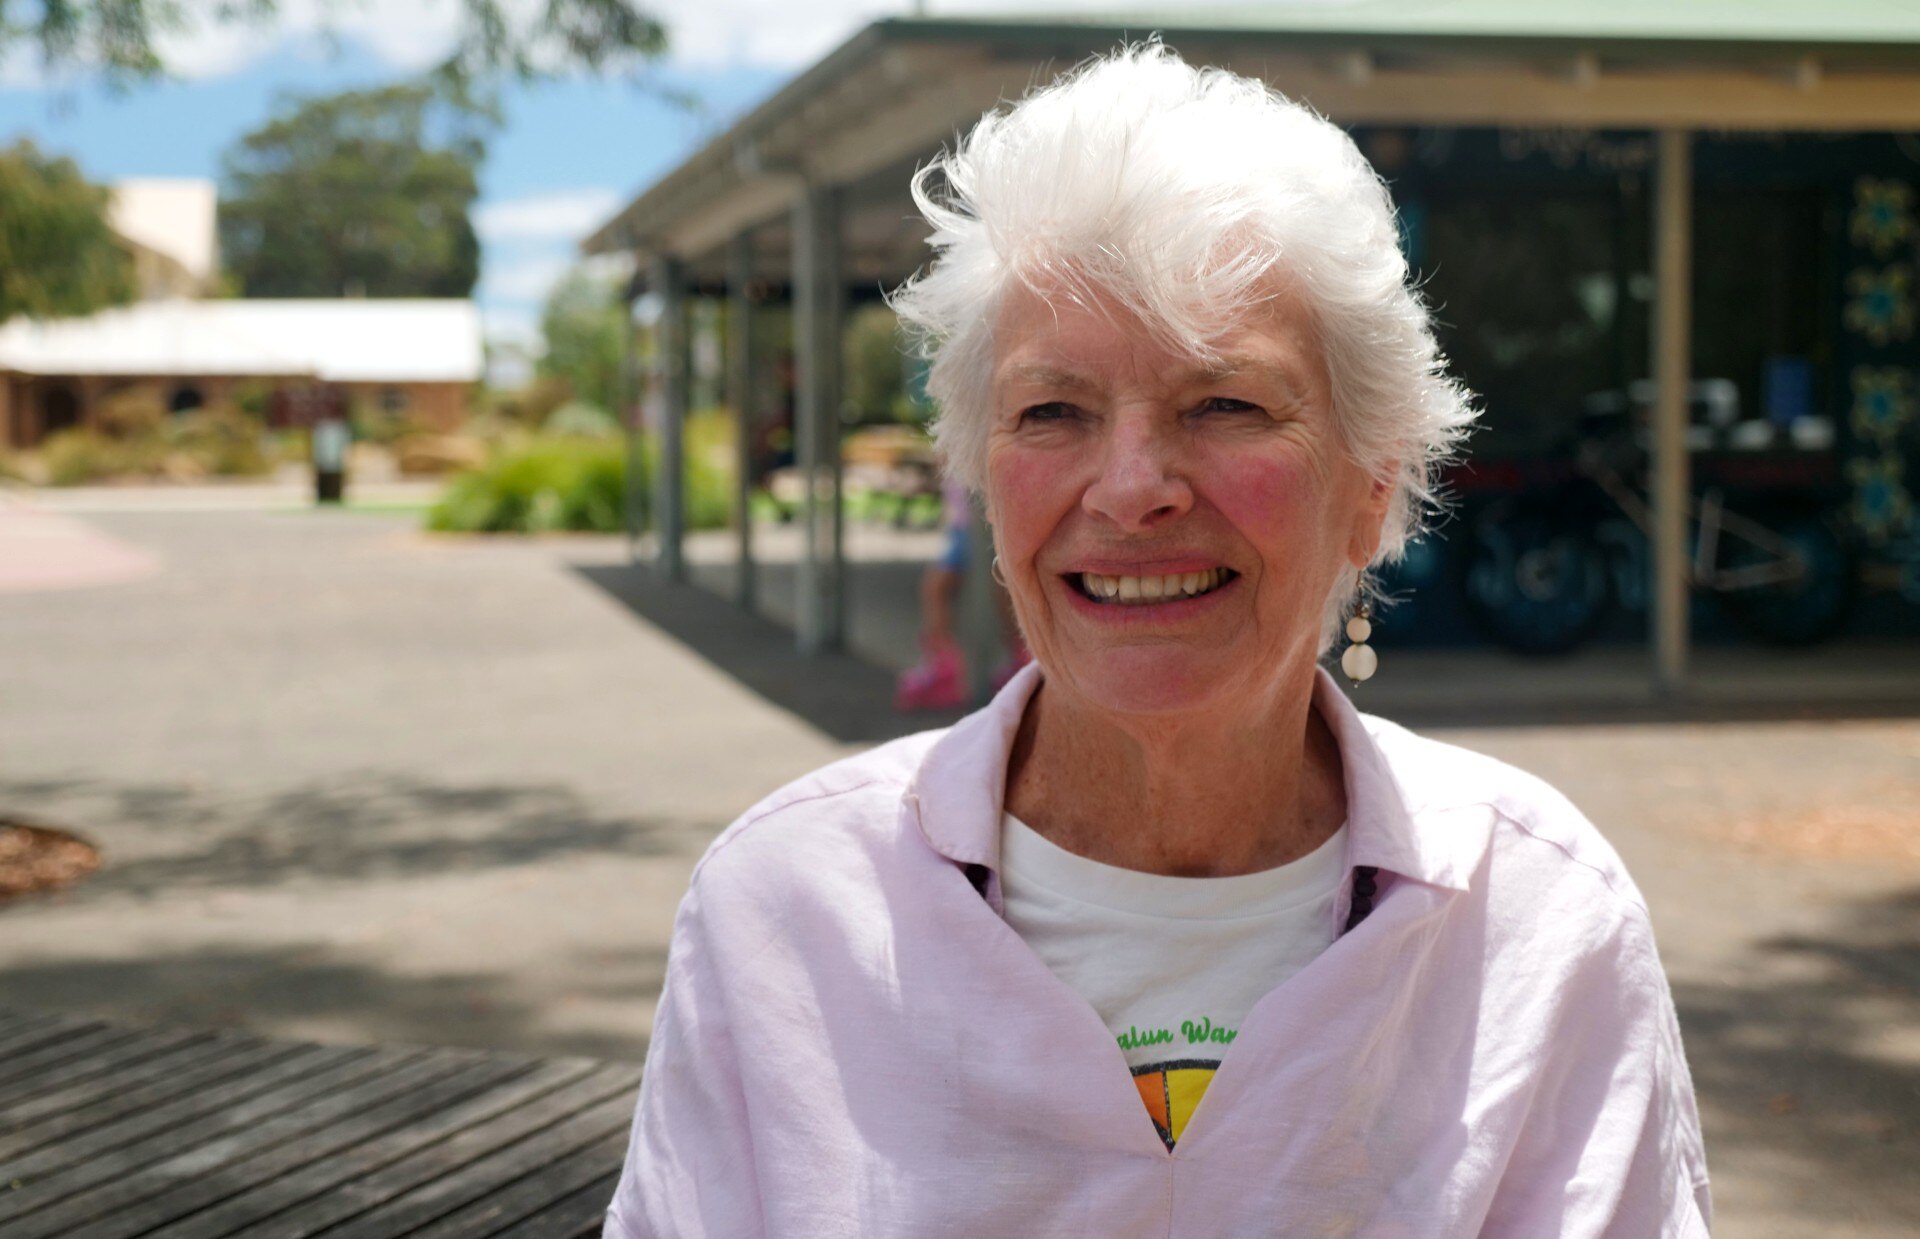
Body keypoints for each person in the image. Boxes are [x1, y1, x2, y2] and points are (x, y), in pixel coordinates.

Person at [605, 44, 1710, 1237]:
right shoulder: (783, 911)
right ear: (985, 475)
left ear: (1371, 479)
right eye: (1052, 412)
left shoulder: (1541, 919)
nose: (1131, 488)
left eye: (1225, 404)